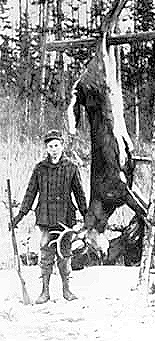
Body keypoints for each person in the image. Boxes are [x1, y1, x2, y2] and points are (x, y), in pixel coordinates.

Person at [8, 129, 88, 304]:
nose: (53, 149)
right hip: (45, 217)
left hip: (65, 219)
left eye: (56, 145)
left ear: (62, 146)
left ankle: (67, 290)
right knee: (45, 253)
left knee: (65, 253)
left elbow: (80, 195)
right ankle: (44, 292)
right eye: (50, 146)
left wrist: (87, 216)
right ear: (46, 148)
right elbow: (30, 193)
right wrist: (18, 217)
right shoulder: (40, 169)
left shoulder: (71, 168)